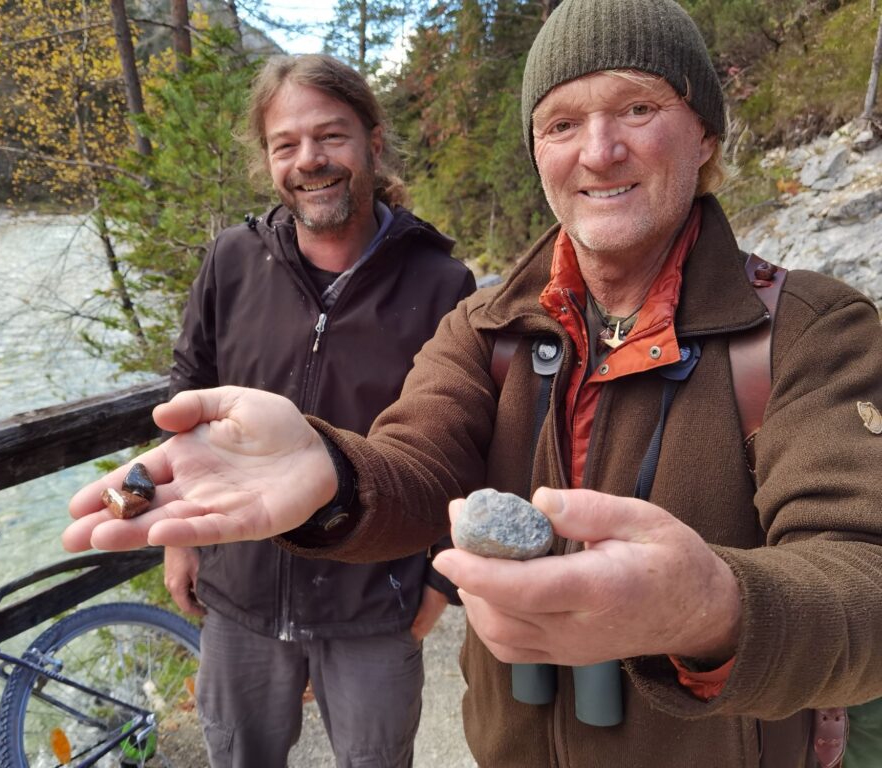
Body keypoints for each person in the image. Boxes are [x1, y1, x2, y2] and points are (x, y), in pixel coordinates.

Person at [65, 2, 882, 766]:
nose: (599, 150)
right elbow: (417, 461)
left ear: (703, 133)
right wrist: (329, 469)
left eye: (636, 108)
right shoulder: (487, 326)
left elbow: (863, 577)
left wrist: (716, 607)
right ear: (538, 153)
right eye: (563, 123)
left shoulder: (811, 330)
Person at [155, 54, 476, 768]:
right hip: (238, 591)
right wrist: (177, 537)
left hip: (375, 600)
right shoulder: (233, 261)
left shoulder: (442, 283)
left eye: (331, 136)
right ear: (268, 159)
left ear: (373, 142)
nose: (310, 160)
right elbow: (188, 387)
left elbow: (470, 440)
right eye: (286, 144)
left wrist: (443, 578)